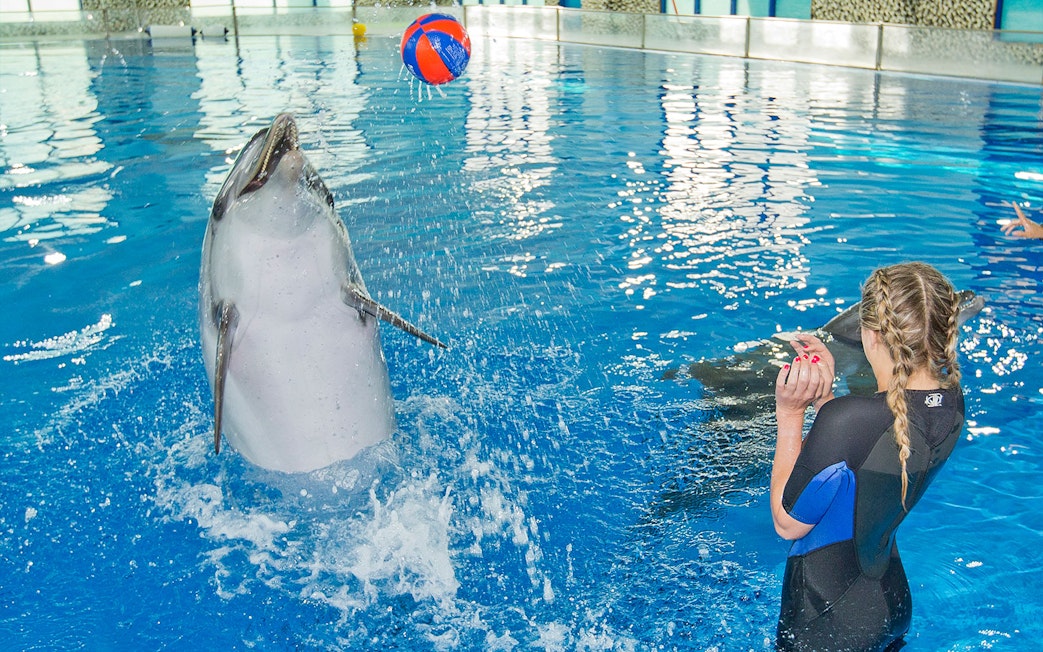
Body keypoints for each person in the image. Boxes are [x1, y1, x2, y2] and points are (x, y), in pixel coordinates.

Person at [770, 262, 965, 651]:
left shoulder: (850, 421)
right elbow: (864, 462)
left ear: (872, 335)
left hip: (828, 619)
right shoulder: (953, 404)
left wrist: (790, 415)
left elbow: (787, 523)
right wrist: (826, 404)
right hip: (890, 602)